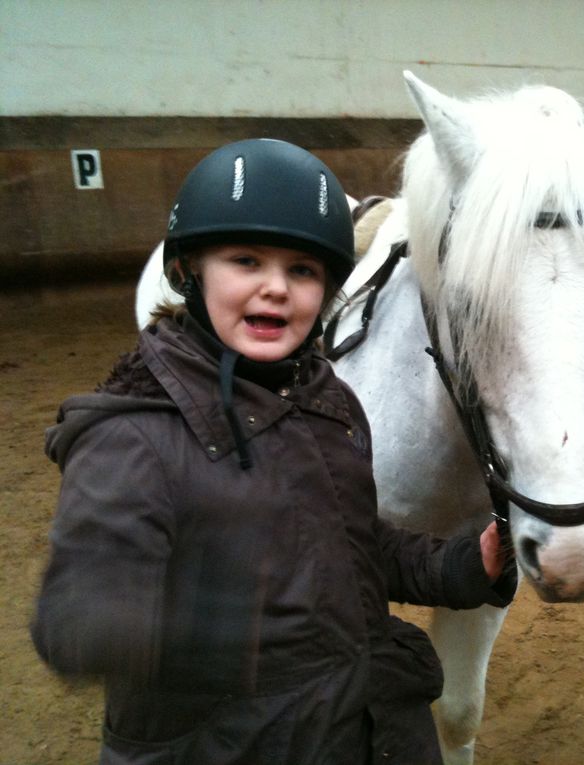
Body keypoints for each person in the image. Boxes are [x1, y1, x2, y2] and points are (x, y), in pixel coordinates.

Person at [31, 138, 516, 765]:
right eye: (246, 260)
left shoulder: (330, 404)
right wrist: (108, 612)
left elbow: (352, 548)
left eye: (303, 270)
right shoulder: (131, 438)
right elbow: (80, 614)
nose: (276, 288)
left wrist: (462, 567)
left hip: (356, 726)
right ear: (187, 271)